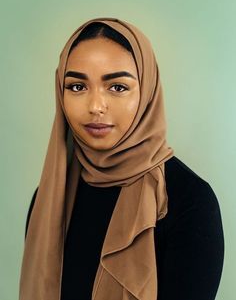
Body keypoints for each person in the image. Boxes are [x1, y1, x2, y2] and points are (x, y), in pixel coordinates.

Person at [19, 17, 224, 300]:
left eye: (117, 87)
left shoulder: (189, 202)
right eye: (78, 86)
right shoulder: (49, 199)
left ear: (147, 91)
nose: (95, 107)